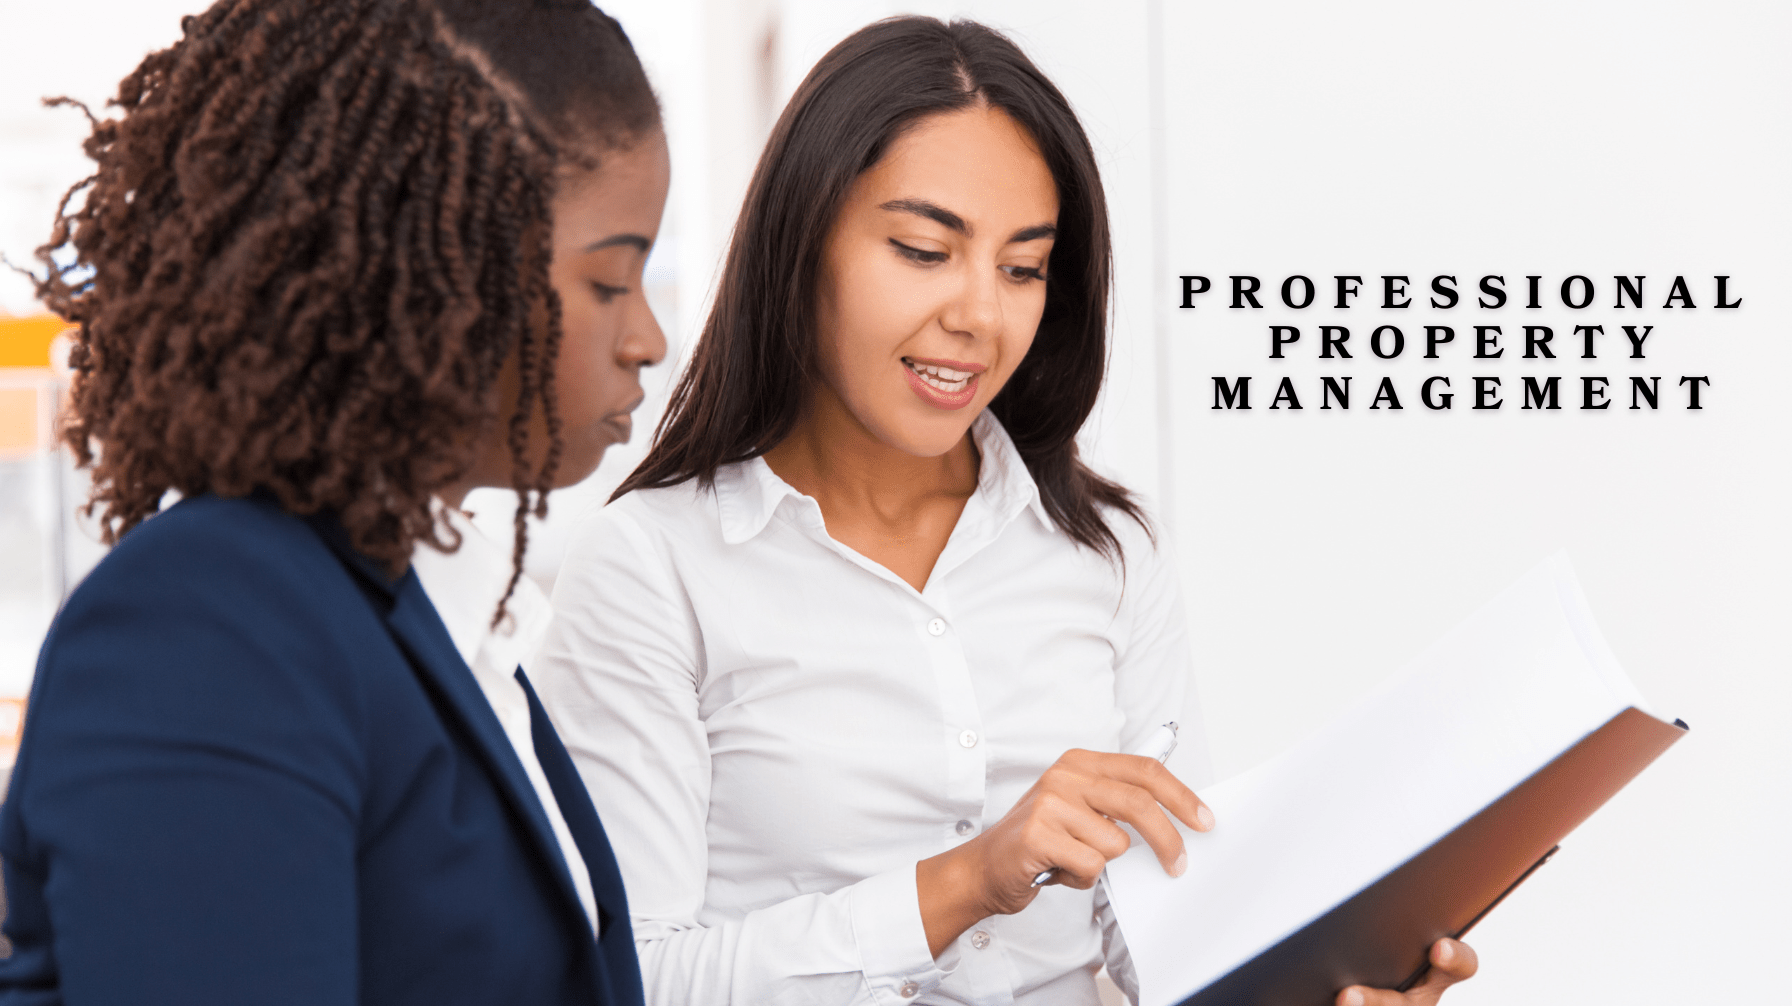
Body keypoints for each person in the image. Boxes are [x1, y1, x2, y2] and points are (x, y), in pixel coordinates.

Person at [532, 16, 1475, 1006]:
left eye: (1022, 268)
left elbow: (1171, 939)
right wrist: (963, 883)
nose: (981, 315)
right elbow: (624, 979)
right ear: (800, 244)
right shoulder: (652, 567)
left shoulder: (1104, 552)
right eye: (923, 248)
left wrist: (1308, 984)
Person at [0, 1, 667, 1004]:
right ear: (437, 269)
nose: (649, 337)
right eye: (611, 280)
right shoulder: (213, 622)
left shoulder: (417, 615)